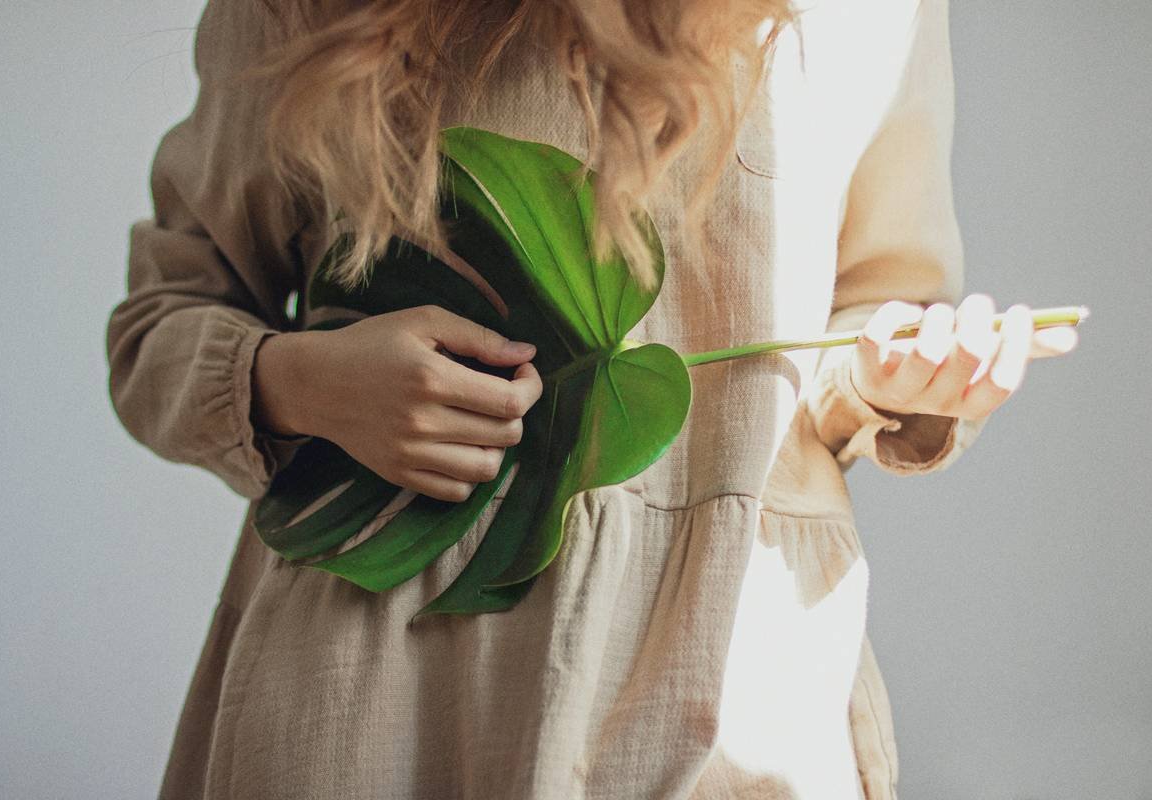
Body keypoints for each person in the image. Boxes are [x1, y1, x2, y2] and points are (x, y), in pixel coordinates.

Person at [104, 0, 1078, 798]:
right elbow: (162, 318)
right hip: (388, 686)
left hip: (734, 659)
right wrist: (306, 379)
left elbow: (871, 300)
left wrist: (891, 375)